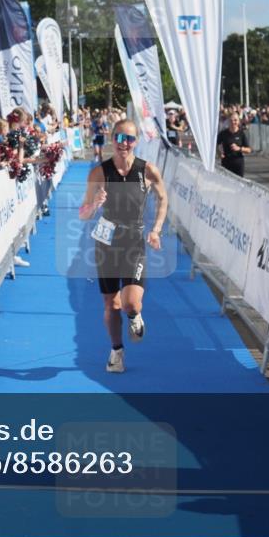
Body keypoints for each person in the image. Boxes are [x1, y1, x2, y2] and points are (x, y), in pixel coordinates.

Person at [78, 120, 168, 374]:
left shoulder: (148, 171)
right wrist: (95, 203)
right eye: (119, 138)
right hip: (105, 244)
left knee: (130, 304)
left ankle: (134, 316)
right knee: (111, 304)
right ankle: (116, 352)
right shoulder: (99, 173)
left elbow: (164, 198)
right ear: (112, 139)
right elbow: (83, 214)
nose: (123, 144)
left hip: (134, 244)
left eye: (129, 139)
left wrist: (156, 229)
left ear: (136, 141)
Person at [216, 111, 251, 177]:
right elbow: (216, 144)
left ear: (238, 121)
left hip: (238, 163)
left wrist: (239, 148)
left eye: (235, 120)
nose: (233, 122)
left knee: (239, 185)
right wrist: (219, 153)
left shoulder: (241, 134)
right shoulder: (223, 133)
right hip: (226, 163)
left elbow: (249, 150)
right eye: (231, 120)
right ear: (228, 121)